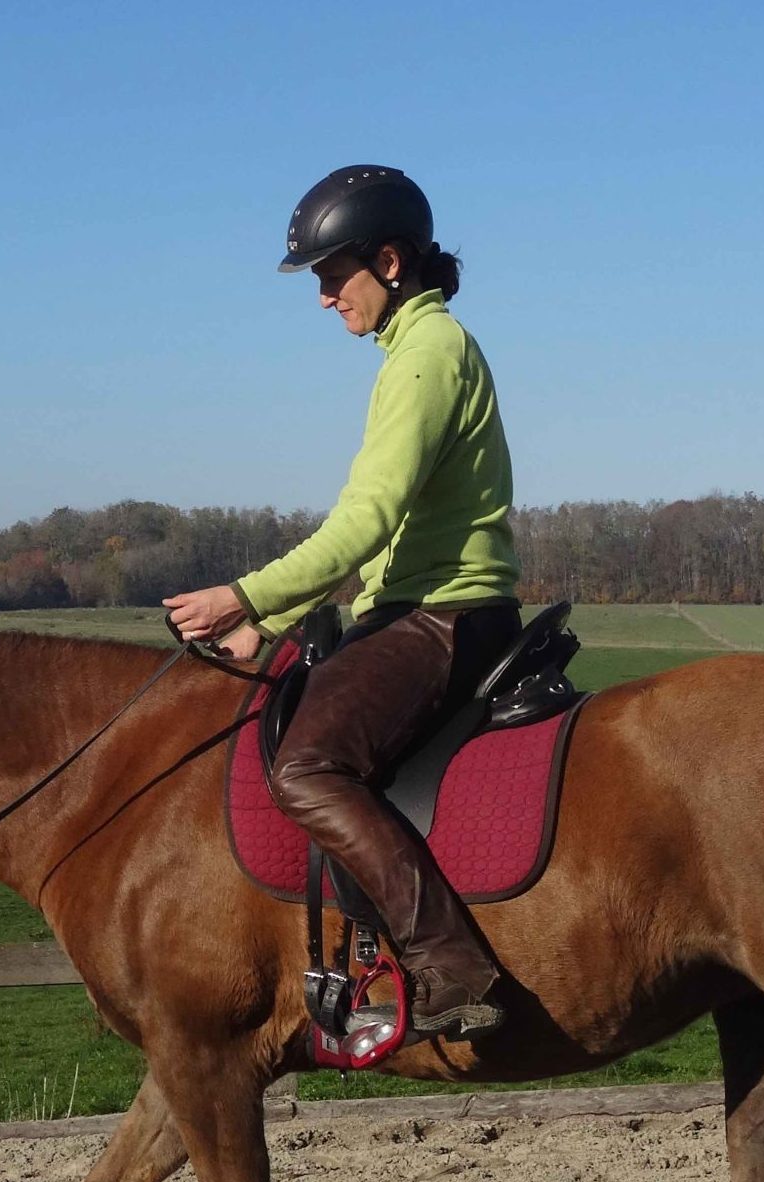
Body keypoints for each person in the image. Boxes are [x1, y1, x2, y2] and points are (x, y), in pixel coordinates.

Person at [165, 165, 521, 1042]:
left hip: (443, 617)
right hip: (406, 607)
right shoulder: (413, 351)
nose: (324, 298)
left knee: (307, 767)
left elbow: (365, 521)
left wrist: (243, 594)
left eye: (333, 276)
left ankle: (451, 964)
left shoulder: (428, 357)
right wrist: (270, 625)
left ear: (389, 261)